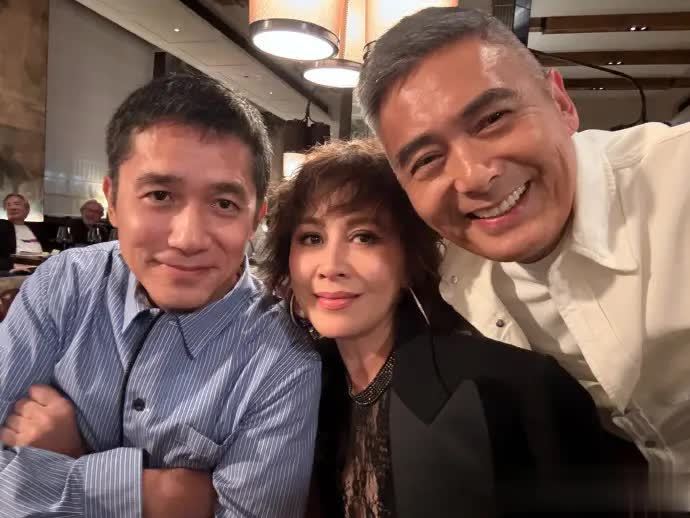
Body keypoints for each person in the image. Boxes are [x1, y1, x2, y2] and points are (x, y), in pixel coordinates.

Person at [357, 6, 690, 510]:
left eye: (492, 119)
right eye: (427, 159)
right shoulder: (449, 270)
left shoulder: (677, 178)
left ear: (561, 103)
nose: (473, 176)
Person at [258, 139, 645, 517]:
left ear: (410, 258)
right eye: (312, 238)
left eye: (364, 237)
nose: (331, 266)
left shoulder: (512, 388)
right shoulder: (296, 388)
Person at [0, 74, 320, 517]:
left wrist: (73, 461)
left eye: (223, 204)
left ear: (255, 219)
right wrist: (167, 495)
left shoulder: (283, 361)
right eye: (160, 195)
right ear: (113, 201)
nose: (188, 239)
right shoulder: (65, 283)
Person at [0, 193, 43, 271]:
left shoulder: (37, 229)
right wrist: (13, 266)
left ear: (27, 210)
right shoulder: (2, 227)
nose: (12, 208)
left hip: (40, 271)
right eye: (8, 205)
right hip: (15, 273)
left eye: (17, 204)